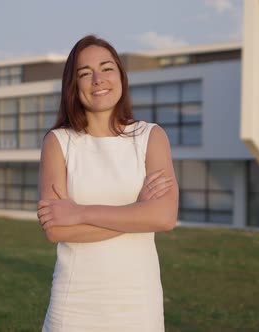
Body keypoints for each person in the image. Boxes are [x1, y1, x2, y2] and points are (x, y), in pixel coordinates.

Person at [37, 35, 179, 332]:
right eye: (85, 73)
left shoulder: (150, 137)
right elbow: (57, 229)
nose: (98, 79)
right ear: (72, 87)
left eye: (106, 68)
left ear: (121, 76)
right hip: (74, 305)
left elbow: (163, 217)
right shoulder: (58, 142)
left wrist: (81, 213)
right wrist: (137, 212)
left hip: (138, 305)